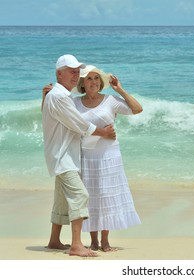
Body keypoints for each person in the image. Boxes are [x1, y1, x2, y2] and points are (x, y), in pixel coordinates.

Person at [41, 54, 117, 257]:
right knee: (80, 195)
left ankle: (54, 240)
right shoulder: (59, 97)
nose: (76, 76)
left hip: (63, 154)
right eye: (71, 71)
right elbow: (79, 123)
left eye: (77, 72)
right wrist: (104, 133)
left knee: (61, 199)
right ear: (59, 74)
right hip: (63, 155)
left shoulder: (57, 96)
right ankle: (76, 245)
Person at [73, 65, 142, 252]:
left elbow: (137, 109)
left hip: (109, 156)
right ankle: (93, 240)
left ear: (101, 82)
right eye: (89, 78)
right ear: (82, 83)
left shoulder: (110, 100)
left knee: (105, 196)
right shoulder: (75, 103)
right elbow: (66, 123)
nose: (93, 82)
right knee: (90, 197)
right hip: (86, 156)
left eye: (96, 78)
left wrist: (119, 89)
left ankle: (105, 241)